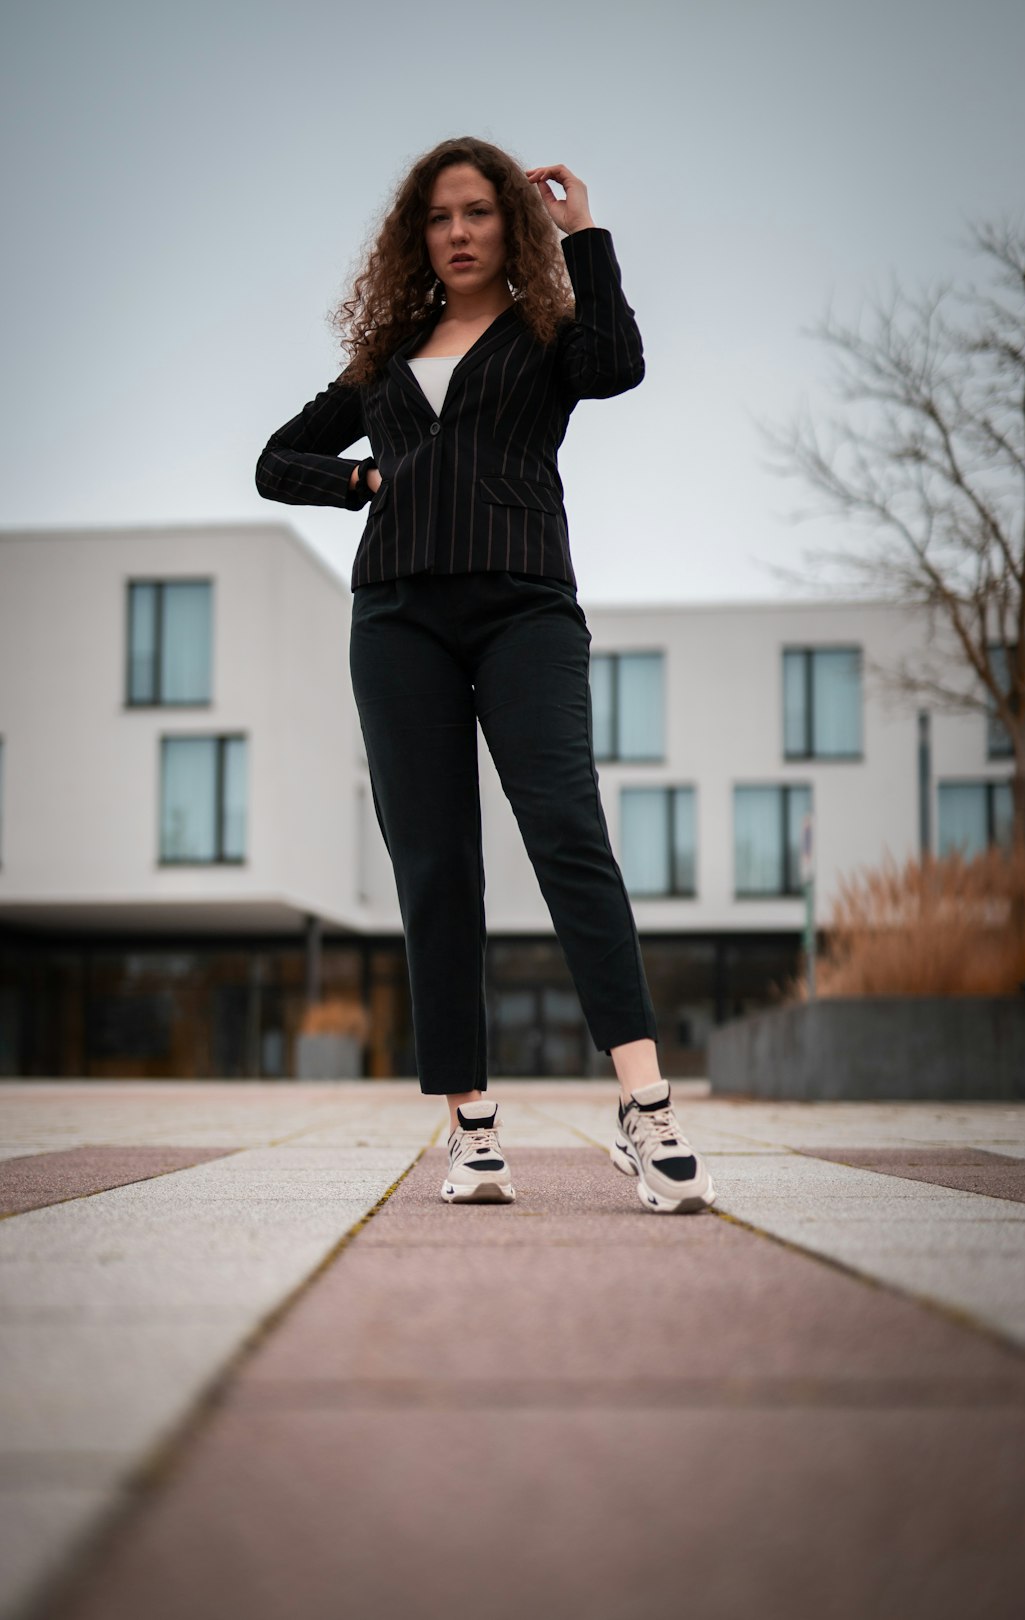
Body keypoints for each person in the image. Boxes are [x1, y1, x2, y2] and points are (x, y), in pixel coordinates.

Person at [256, 136, 715, 1215]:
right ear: (416, 236)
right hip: (399, 614)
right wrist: (367, 475)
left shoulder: (552, 332)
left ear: (508, 221)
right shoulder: (383, 356)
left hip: (525, 607)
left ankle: (645, 1109)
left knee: (566, 828)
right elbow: (276, 461)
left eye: (476, 212)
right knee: (434, 865)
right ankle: (470, 1128)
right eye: (438, 217)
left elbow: (618, 366)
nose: (457, 232)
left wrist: (586, 238)